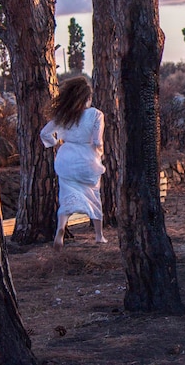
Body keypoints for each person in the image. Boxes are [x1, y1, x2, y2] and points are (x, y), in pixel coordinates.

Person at [40, 76, 107, 250]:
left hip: (66, 159)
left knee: (66, 196)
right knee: (94, 195)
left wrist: (55, 143)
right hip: (87, 158)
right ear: (88, 98)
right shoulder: (96, 114)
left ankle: (61, 229)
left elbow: (44, 133)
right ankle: (99, 236)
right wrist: (99, 154)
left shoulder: (64, 116)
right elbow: (97, 141)